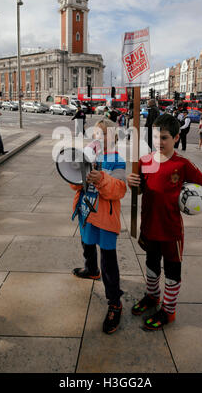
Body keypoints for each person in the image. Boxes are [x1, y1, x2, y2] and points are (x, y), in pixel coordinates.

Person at [127, 113, 202, 330]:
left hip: (171, 231)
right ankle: (152, 296)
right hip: (149, 227)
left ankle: (168, 311)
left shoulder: (182, 164)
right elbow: (140, 191)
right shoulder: (145, 161)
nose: (159, 142)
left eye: (164, 137)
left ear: (176, 138)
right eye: (156, 137)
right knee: (150, 266)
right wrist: (132, 184)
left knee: (172, 271)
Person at [70, 118, 127, 334]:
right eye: (96, 134)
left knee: (108, 259)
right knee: (86, 243)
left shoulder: (118, 160)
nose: (99, 138)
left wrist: (101, 178)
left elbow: (119, 190)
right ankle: (91, 270)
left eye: (104, 134)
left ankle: (114, 302)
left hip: (105, 217)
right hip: (86, 212)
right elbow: (75, 184)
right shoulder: (87, 155)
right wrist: (78, 174)